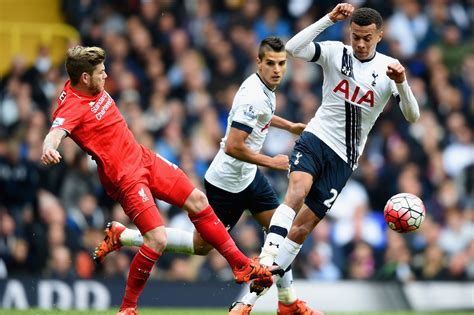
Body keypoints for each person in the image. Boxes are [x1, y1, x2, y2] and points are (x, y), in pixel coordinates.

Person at [40, 46, 273, 315]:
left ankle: (240, 265)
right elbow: (56, 131)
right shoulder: (72, 106)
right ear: (84, 77)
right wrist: (49, 147)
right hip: (125, 178)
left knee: (198, 200)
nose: (106, 76)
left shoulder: (89, 84)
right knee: (157, 239)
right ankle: (127, 308)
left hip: (142, 157)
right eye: (101, 73)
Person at [93, 37, 316, 315]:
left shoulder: (265, 89)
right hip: (226, 183)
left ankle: (288, 302)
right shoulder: (253, 95)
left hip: (249, 177)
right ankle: (124, 235)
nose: (277, 69)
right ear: (258, 62)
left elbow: (262, 117)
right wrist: (271, 161)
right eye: (270, 63)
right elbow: (234, 146)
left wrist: (290, 125)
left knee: (280, 233)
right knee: (200, 247)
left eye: (282, 64)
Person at [246, 3, 421, 312]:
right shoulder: (335, 52)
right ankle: (265, 262)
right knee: (296, 191)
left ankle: (268, 302)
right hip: (316, 137)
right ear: (349, 33)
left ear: (379, 35)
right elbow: (293, 48)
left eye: (367, 37)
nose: (361, 43)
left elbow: (413, 115)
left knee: (301, 229)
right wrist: (328, 19)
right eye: (356, 36)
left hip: (345, 159)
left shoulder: (389, 68)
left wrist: (402, 83)